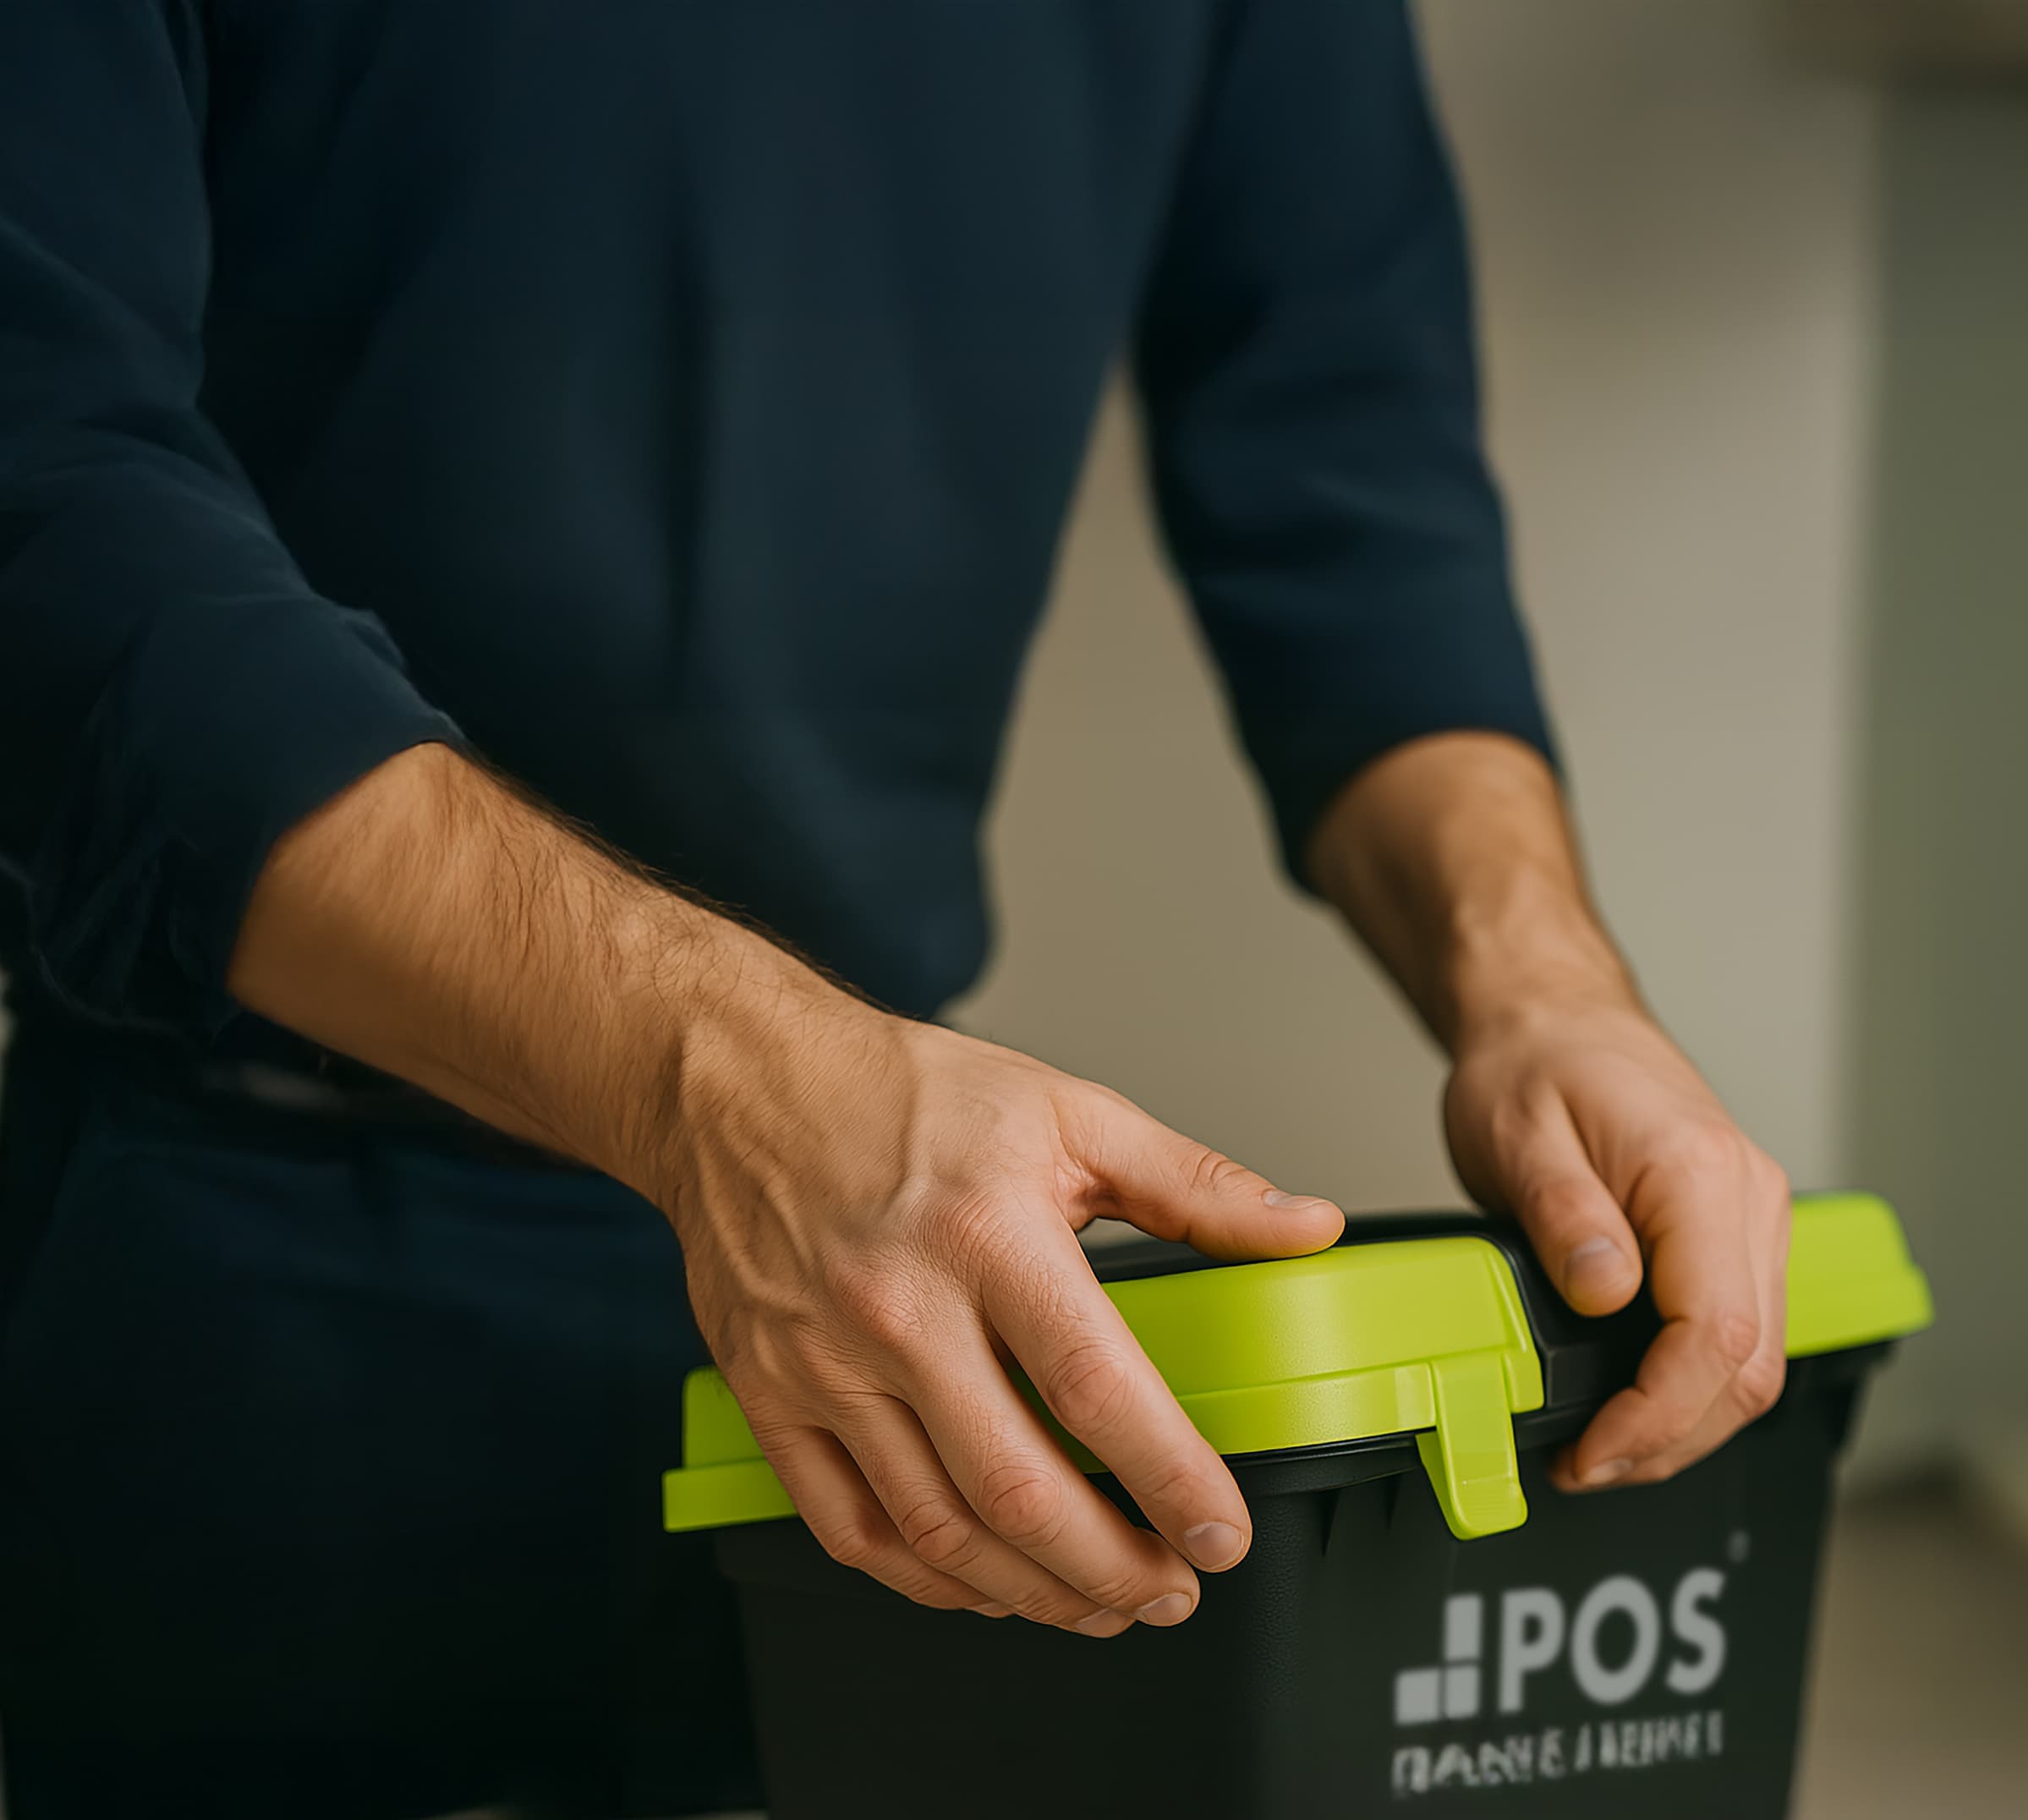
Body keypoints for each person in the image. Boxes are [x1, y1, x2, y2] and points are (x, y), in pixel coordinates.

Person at [0, 3, 1796, 1813]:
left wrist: (1544, 983)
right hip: (246, 1275)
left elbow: (1356, 477)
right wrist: (720, 1076)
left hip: (913, 1300)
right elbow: (47, 498)